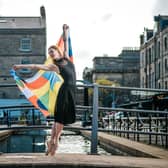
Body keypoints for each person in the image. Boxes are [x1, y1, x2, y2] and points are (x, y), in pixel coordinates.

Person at [13, 44, 76, 156]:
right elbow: (36, 66)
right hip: (64, 90)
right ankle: (55, 142)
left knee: (61, 118)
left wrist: (65, 30)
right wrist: (19, 66)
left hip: (72, 91)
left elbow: (66, 45)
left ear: (57, 51)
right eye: (49, 52)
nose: (51, 54)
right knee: (59, 118)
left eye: (52, 51)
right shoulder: (54, 66)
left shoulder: (66, 58)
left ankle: (52, 141)